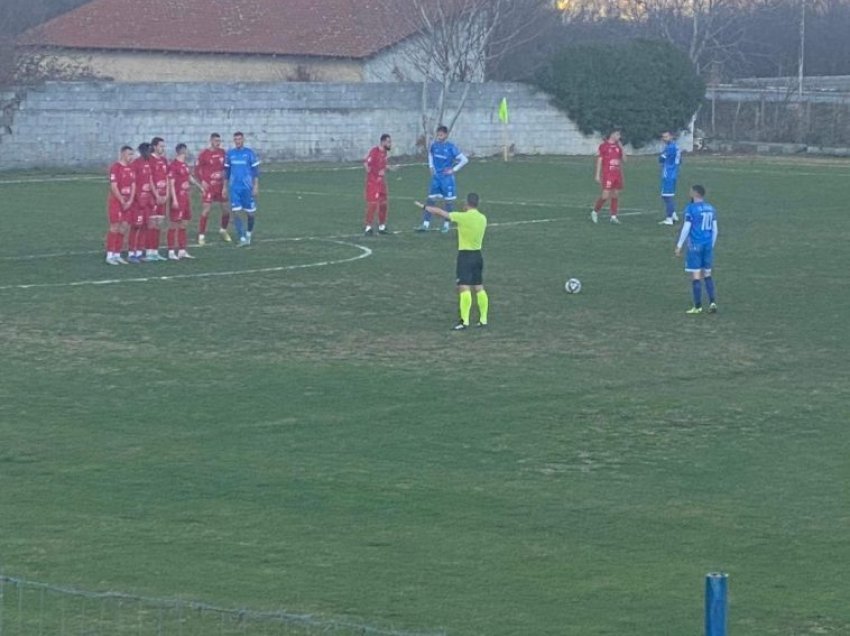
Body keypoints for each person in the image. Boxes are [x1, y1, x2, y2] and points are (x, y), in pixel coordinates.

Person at [415, 192, 489, 330]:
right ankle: (483, 319)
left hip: (465, 256)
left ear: (467, 203)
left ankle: (464, 321)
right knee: (479, 287)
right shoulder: (483, 218)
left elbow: (441, 213)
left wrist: (425, 207)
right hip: (478, 255)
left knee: (464, 287)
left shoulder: (463, 217)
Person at [416, 125, 468, 234]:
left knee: (448, 203)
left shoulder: (451, 147)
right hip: (436, 179)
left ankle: (446, 225)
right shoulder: (434, 146)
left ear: (446, 135)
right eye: (438, 134)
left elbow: (464, 160)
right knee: (430, 200)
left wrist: (453, 170)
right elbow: (430, 154)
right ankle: (425, 224)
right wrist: (431, 166)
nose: (439, 136)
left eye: (441, 134)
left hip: (447, 180)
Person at [675, 185, 718, 314]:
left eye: (690, 191)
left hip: (695, 245)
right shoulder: (711, 208)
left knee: (696, 275)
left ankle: (698, 306)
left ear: (695, 193)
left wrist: (679, 245)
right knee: (708, 274)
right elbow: (715, 230)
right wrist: (711, 245)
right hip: (707, 245)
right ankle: (712, 302)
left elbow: (686, 227)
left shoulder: (691, 209)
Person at [167, 143, 203, 260]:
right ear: (182, 151)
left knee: (184, 223)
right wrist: (174, 200)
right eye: (186, 151)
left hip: (185, 198)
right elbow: (171, 183)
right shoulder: (173, 165)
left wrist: (200, 186)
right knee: (174, 224)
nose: (187, 153)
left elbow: (189, 177)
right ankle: (171, 251)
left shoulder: (184, 165)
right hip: (178, 198)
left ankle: (182, 250)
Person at [224, 131, 260, 246]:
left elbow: (255, 171)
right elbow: (227, 172)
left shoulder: (249, 153)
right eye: (236, 139)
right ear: (234, 141)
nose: (238, 141)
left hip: (247, 188)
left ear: (243, 140)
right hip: (234, 188)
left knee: (250, 214)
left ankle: (248, 233)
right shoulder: (230, 154)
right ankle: (242, 237)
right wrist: (224, 187)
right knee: (236, 212)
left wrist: (255, 186)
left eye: (239, 139)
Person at [195, 132, 231, 245]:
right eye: (216, 141)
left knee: (226, 210)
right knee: (206, 210)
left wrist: (225, 186)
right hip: (209, 187)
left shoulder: (223, 153)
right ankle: (201, 235)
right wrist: (202, 181)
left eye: (219, 141)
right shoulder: (204, 154)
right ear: (211, 141)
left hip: (220, 186)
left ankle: (223, 230)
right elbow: (196, 170)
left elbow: (226, 170)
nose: (218, 143)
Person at [105, 145, 135, 265]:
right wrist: (122, 200)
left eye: (132, 154)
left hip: (128, 202)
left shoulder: (131, 168)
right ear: (122, 154)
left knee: (124, 227)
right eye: (129, 154)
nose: (131, 157)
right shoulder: (115, 167)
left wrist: (130, 200)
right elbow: (114, 186)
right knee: (115, 227)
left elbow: (133, 185)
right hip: (116, 202)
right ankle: (109, 254)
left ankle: (117, 254)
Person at [128, 142, 156, 263]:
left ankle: (139, 252)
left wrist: (152, 198)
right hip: (138, 203)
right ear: (143, 151)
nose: (150, 153)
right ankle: (131, 252)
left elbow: (149, 182)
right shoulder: (135, 164)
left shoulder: (147, 164)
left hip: (146, 201)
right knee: (136, 226)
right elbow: (132, 183)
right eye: (149, 151)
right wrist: (137, 199)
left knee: (145, 225)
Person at [591, 128, 624, 224]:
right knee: (605, 195)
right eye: (617, 134)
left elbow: (625, 160)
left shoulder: (618, 147)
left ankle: (613, 216)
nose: (619, 137)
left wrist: (621, 148)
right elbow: (600, 160)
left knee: (615, 195)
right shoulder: (604, 146)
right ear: (612, 134)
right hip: (608, 174)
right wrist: (597, 174)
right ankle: (595, 212)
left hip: (617, 174)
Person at [363, 133, 392, 236]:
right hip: (373, 182)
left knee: (384, 204)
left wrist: (389, 168)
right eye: (388, 142)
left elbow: (382, 166)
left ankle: (382, 226)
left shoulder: (384, 153)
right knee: (373, 204)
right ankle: (368, 227)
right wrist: (371, 172)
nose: (390, 144)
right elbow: (366, 163)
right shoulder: (375, 151)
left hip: (381, 182)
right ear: (383, 142)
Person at [147, 136, 169, 260]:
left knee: (159, 223)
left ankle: (155, 251)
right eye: (161, 146)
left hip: (163, 196)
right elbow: (149, 179)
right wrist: (156, 195)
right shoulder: (150, 160)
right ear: (155, 147)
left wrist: (165, 194)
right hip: (153, 197)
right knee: (152, 223)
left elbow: (166, 177)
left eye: (163, 146)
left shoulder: (164, 160)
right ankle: (149, 251)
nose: (163, 148)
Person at [658, 131, 682, 225]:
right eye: (663, 137)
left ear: (671, 136)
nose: (664, 139)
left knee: (666, 196)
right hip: (674, 172)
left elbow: (661, 159)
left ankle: (669, 218)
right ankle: (673, 214)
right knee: (668, 195)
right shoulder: (676, 146)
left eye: (666, 137)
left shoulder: (670, 147)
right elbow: (680, 160)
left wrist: (662, 156)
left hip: (668, 173)